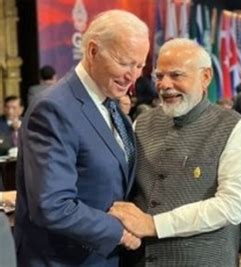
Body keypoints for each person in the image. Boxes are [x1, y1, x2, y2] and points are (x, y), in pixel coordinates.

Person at [14, 10, 149, 266]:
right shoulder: (54, 108)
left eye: (140, 65)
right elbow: (52, 206)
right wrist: (118, 231)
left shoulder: (111, 104)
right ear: (93, 51)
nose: (133, 76)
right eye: (124, 62)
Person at [109, 38, 241, 266]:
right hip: (139, 257)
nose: (164, 84)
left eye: (176, 75)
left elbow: (232, 205)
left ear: (205, 77)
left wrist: (154, 225)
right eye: (159, 76)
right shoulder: (141, 123)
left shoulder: (232, 126)